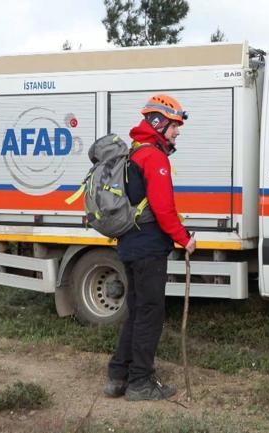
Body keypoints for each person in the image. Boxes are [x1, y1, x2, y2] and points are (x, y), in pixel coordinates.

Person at [104, 94, 197, 401]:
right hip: (148, 248)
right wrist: (185, 238)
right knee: (150, 314)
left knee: (136, 312)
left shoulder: (135, 153)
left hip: (131, 243)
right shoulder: (154, 157)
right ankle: (140, 382)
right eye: (174, 126)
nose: (177, 132)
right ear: (159, 122)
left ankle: (118, 376)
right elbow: (162, 207)